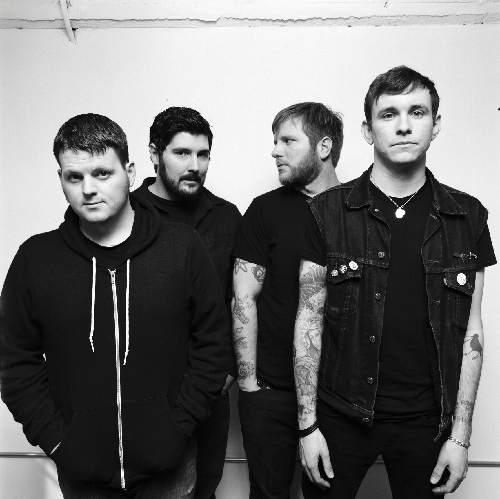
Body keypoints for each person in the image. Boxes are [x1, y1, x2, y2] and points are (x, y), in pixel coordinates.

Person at [0, 113, 230, 499]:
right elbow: (14, 361)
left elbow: (213, 344)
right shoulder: (35, 259)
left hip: (170, 469)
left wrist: (179, 428)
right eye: (74, 177)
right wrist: (57, 441)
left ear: (130, 172)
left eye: (102, 173)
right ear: (61, 178)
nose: (88, 189)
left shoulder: (182, 247)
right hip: (82, 474)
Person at [294, 66, 496, 499]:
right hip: (339, 415)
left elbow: (472, 331)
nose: (403, 125)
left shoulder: (469, 217)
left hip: (428, 422)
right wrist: (307, 427)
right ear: (368, 130)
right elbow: (308, 320)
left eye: (416, 112)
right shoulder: (326, 212)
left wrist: (460, 436)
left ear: (435, 125)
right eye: (388, 114)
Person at [232, 102, 344, 499]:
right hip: (270, 391)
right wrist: (249, 387)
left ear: (324, 146)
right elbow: (243, 298)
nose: (275, 151)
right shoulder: (265, 209)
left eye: (288, 141)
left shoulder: (358, 211)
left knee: (328, 493)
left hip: (337, 396)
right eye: (274, 141)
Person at [134, 106, 241, 499]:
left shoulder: (226, 216)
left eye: (202, 154)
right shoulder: (126, 212)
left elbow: (238, 299)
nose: (194, 165)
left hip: (210, 389)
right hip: (146, 393)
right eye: (181, 153)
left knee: (205, 488)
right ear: (154, 153)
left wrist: (230, 367)